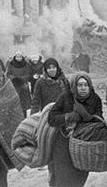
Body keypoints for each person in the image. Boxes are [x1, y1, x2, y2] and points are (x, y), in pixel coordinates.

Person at [48, 72, 103, 187]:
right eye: (79, 85)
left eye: (86, 85)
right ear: (74, 86)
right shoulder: (65, 97)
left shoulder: (95, 99)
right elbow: (52, 118)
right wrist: (68, 117)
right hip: (63, 145)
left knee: (79, 179)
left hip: (83, 146)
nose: (83, 88)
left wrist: (86, 118)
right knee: (62, 178)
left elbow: (99, 120)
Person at [30, 57, 70, 186]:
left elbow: (71, 97)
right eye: (49, 68)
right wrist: (34, 119)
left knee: (64, 152)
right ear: (45, 70)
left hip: (64, 120)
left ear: (57, 68)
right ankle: (53, 179)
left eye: (54, 67)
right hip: (49, 122)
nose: (52, 70)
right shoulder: (41, 83)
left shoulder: (63, 80)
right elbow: (35, 102)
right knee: (51, 152)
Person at [6, 52, 31, 117]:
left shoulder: (26, 64)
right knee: (14, 101)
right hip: (14, 85)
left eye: (20, 57)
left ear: (22, 57)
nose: (18, 58)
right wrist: (13, 78)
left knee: (23, 103)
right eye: (17, 57)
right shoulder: (11, 64)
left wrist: (21, 78)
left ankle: (24, 116)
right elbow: (8, 74)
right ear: (15, 57)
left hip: (23, 85)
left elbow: (28, 74)